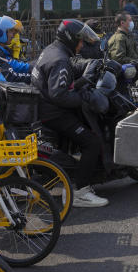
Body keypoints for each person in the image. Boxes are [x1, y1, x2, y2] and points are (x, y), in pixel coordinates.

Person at [31, 19, 108, 208]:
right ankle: (80, 191)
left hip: (43, 107)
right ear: (71, 40)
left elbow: (65, 75)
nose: (82, 45)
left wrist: (86, 68)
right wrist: (83, 97)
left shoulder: (52, 50)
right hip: (54, 113)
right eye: (80, 41)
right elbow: (60, 95)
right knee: (92, 142)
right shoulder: (60, 59)